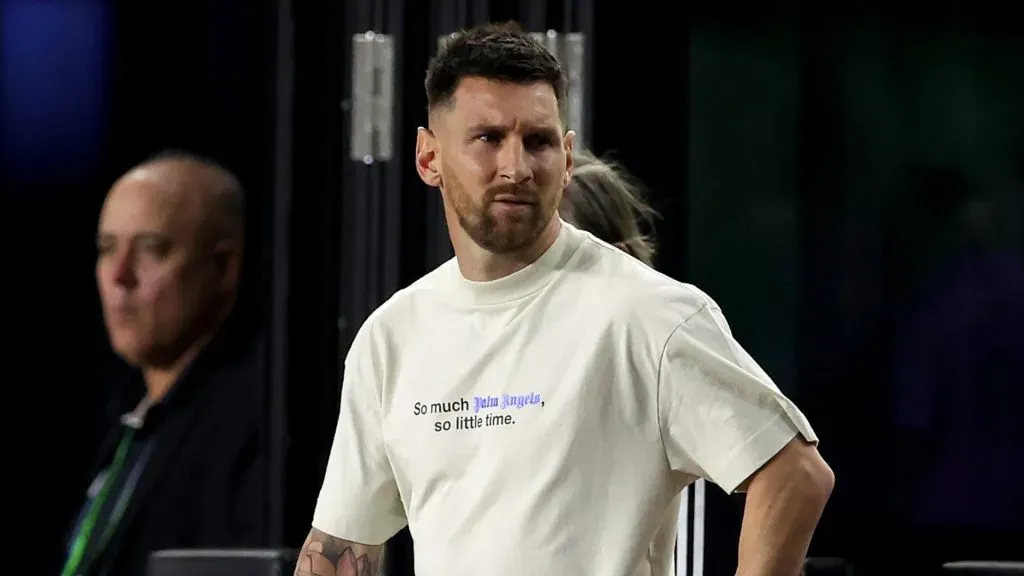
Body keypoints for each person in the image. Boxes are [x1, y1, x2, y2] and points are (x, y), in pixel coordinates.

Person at [299, 22, 833, 576]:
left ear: (568, 155)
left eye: (539, 141)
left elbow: (795, 475)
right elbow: (340, 551)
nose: (517, 167)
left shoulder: (647, 315)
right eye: (488, 139)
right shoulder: (391, 338)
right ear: (429, 157)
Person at [62, 150, 269, 576]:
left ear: (223, 268)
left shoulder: (254, 427)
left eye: (152, 249)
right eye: (106, 249)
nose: (119, 276)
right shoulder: (119, 415)